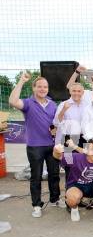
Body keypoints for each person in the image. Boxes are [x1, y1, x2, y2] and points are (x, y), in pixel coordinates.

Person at [9, 72, 63, 218]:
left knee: (54, 175)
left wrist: (55, 129)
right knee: (36, 176)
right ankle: (37, 205)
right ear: (34, 88)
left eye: (45, 87)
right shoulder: (27, 103)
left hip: (51, 145)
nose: (42, 89)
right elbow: (13, 101)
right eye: (39, 86)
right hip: (35, 146)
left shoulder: (52, 104)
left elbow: (56, 124)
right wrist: (21, 81)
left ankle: (55, 199)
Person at [53, 138, 93, 221]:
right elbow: (58, 156)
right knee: (72, 198)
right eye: (91, 150)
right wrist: (56, 150)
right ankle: (74, 209)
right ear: (86, 150)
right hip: (77, 186)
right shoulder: (76, 158)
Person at [53, 82, 88, 182]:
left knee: (84, 165)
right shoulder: (64, 104)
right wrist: (64, 110)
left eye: (79, 91)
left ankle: (82, 193)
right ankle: (69, 193)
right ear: (70, 91)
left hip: (84, 138)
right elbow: (56, 122)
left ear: (83, 92)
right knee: (69, 165)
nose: (76, 93)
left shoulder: (87, 105)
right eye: (74, 91)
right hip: (68, 138)